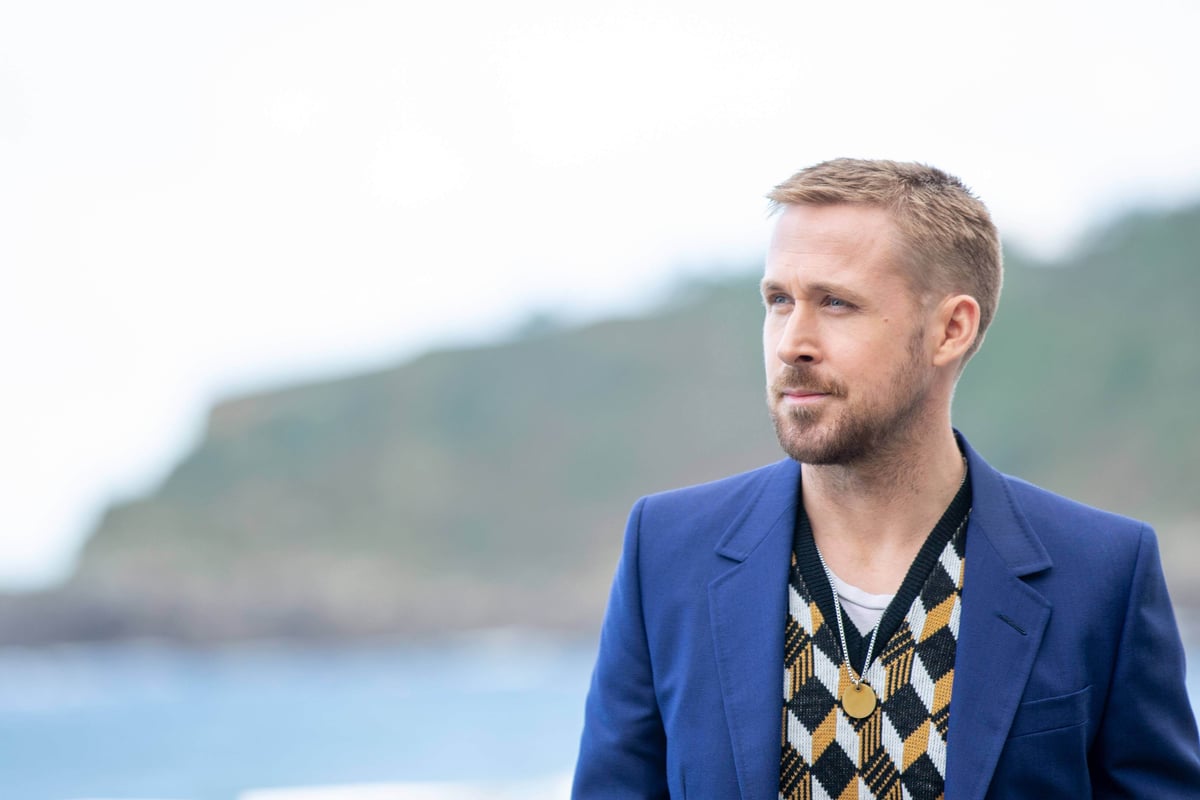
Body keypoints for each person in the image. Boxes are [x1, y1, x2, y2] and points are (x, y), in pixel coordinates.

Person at [571, 158, 1200, 799]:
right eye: (778, 301)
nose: (793, 341)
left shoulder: (1101, 573)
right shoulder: (668, 551)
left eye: (836, 303)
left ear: (952, 328)